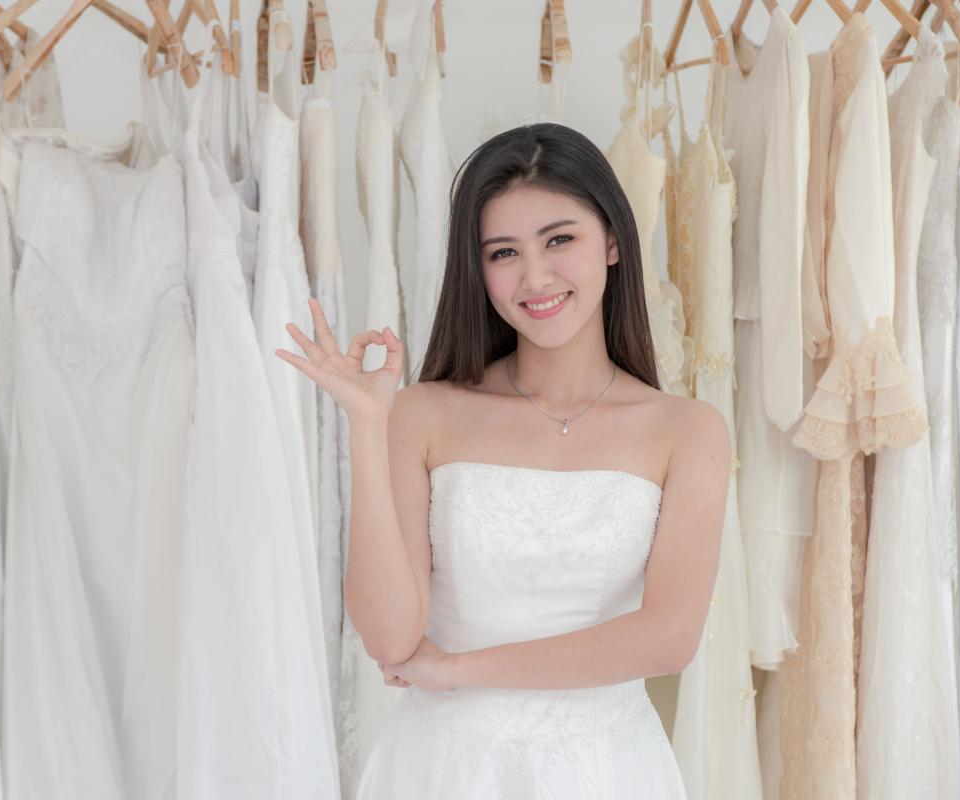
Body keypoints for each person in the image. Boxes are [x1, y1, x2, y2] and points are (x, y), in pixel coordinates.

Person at [276, 122, 727, 798]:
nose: (535, 276)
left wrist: (459, 669)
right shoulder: (423, 413)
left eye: (559, 239)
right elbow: (391, 637)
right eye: (504, 252)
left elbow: (667, 639)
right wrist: (368, 427)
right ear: (477, 268)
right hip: (446, 771)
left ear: (612, 242)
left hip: (606, 772)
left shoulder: (687, 430)